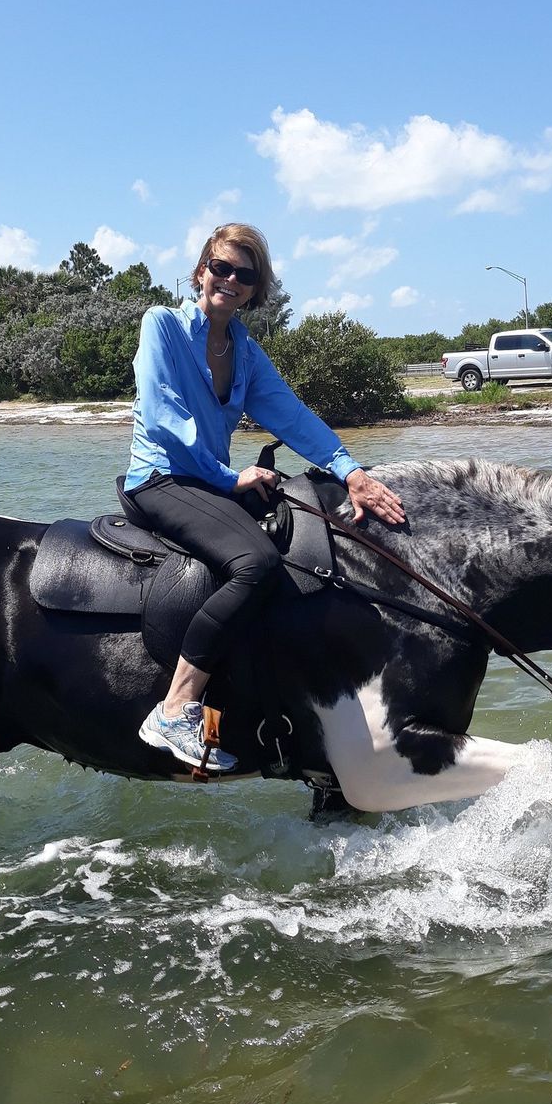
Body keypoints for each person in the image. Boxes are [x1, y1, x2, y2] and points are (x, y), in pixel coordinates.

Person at [125, 222, 406, 772]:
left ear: (256, 289)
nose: (229, 280)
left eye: (244, 275)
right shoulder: (162, 325)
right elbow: (162, 419)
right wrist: (230, 478)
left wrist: (350, 472)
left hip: (207, 482)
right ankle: (175, 706)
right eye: (221, 267)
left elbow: (293, 417)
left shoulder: (245, 353)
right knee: (254, 563)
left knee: (305, 543)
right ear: (201, 268)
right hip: (160, 479)